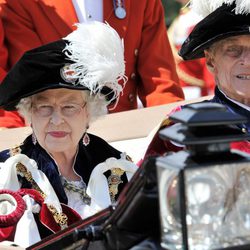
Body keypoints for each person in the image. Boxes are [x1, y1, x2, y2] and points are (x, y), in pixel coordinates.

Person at [0, 21, 137, 247]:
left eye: (69, 107)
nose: (56, 120)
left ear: (89, 114)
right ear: (29, 114)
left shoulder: (118, 168)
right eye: (44, 107)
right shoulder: (8, 173)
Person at [0, 0, 184, 128]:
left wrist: (172, 134)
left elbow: (161, 84)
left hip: (128, 135)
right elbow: (27, 81)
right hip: (54, 138)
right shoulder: (19, 3)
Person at [144, 0, 250, 159]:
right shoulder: (187, 125)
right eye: (233, 50)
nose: (247, 61)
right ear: (210, 61)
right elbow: (153, 181)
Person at [167, 0, 215, 100]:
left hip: (199, 92)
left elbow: (207, 61)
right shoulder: (182, 17)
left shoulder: (198, 18)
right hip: (180, 89)